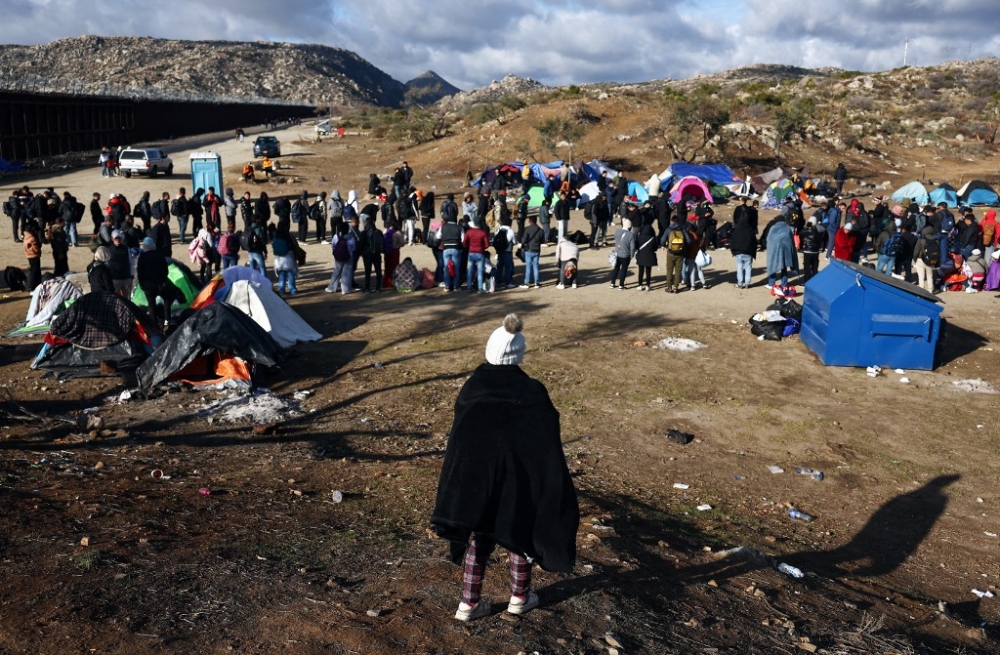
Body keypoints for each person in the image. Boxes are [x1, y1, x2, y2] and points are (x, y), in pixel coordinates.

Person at [431, 313, 579, 622]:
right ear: (518, 355)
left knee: (480, 536)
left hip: (476, 482)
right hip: (518, 483)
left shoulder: (472, 388)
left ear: (489, 351)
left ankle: (468, 603)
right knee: (519, 533)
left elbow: (461, 436)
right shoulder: (532, 392)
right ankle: (519, 598)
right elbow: (545, 440)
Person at [136, 237, 180, 329]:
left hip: (148, 286)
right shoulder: (159, 255)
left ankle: (154, 324)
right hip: (160, 284)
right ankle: (167, 319)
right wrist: (162, 279)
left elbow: (140, 273)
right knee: (167, 298)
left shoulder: (142, 257)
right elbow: (165, 270)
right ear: (153, 246)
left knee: (151, 305)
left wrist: (142, 285)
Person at [765, 217, 799, 289]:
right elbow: (791, 240)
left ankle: (771, 283)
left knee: (773, 266)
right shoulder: (787, 228)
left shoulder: (773, 228)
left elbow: (769, 239)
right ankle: (784, 284)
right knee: (784, 268)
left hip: (775, 251)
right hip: (786, 251)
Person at [325, 222, 356, 294]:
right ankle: (346, 289)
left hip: (338, 256)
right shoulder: (351, 237)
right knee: (347, 273)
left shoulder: (336, 236)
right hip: (349, 256)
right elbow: (354, 247)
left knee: (336, 271)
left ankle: (332, 288)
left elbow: (333, 245)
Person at [660, 214, 688, 293]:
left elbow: (662, 240)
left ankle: (669, 287)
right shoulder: (682, 229)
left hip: (670, 252)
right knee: (678, 270)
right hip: (680, 253)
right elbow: (688, 240)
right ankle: (676, 287)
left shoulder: (668, 229)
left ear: (671, 221)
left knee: (669, 270)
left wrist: (664, 246)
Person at [729, 215, 757, 288]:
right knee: (748, 269)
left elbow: (733, 242)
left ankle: (740, 283)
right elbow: (754, 243)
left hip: (739, 253)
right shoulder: (751, 231)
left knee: (739, 269)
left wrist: (733, 251)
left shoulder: (737, 231)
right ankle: (747, 283)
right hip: (748, 252)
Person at [462, 218, 490, 292]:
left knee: (470, 270)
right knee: (480, 271)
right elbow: (487, 244)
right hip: (480, 253)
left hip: (471, 253)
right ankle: (480, 288)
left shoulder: (469, 232)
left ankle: (469, 287)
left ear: (473, 223)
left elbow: (464, 243)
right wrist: (482, 248)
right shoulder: (483, 233)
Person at [608, 217, 636, 290]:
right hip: (626, 255)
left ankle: (612, 283)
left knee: (616, 268)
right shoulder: (631, 235)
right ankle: (621, 285)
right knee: (623, 270)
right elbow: (632, 247)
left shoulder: (617, 231)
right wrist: (631, 256)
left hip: (618, 253)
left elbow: (616, 240)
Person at [272, 222, 299, 295]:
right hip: (288, 257)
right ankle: (292, 289)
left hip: (278, 259)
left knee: (282, 274)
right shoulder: (289, 235)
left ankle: (281, 290)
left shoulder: (275, 236)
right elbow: (294, 245)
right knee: (291, 274)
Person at [360, 216, 384, 293]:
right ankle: (378, 288)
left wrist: (361, 253)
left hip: (367, 254)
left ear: (366, 223)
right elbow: (382, 243)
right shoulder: (379, 232)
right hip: (377, 254)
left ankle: (367, 288)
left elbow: (361, 244)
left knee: (368, 271)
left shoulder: (364, 232)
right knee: (378, 271)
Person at [519, 215, 544, 288]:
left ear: (530, 221)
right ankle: (537, 282)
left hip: (529, 250)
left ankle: (526, 283)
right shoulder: (541, 230)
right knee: (536, 266)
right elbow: (543, 241)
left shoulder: (527, 229)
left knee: (528, 267)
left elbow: (523, 240)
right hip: (537, 250)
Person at [634, 220, 657, 291]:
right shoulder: (653, 238)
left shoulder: (640, 237)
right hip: (650, 256)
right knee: (648, 272)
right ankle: (648, 285)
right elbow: (655, 248)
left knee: (640, 272)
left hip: (641, 255)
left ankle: (640, 285)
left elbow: (636, 247)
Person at [800, 217, 821, 283]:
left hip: (807, 251)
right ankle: (814, 281)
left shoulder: (805, 230)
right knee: (815, 267)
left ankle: (806, 281)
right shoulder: (818, 231)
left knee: (807, 267)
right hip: (815, 251)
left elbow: (800, 234)